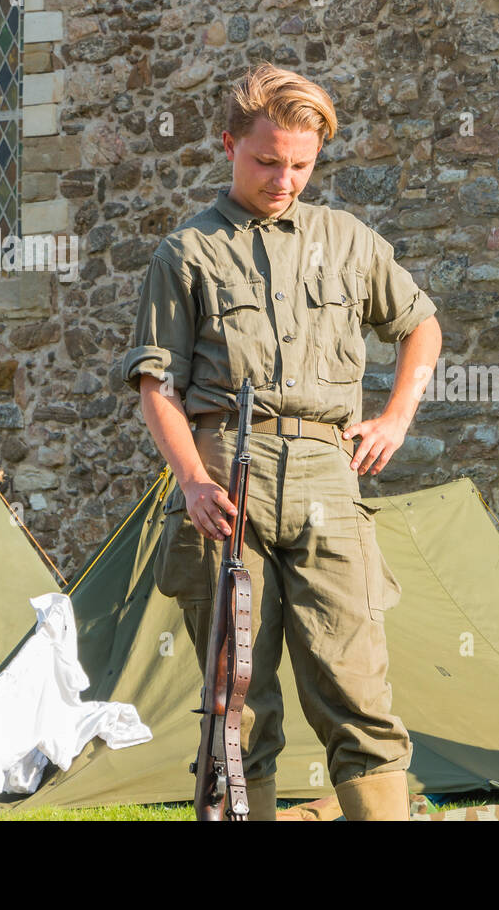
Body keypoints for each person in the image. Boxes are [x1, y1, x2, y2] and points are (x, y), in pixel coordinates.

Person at [121, 62, 442, 820]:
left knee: (356, 689)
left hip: (329, 478)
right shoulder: (186, 254)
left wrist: (397, 415)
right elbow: (154, 386)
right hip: (226, 486)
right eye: (267, 161)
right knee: (239, 701)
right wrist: (192, 482)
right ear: (230, 144)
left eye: (301, 165)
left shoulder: (350, 240)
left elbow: (420, 325)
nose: (283, 179)